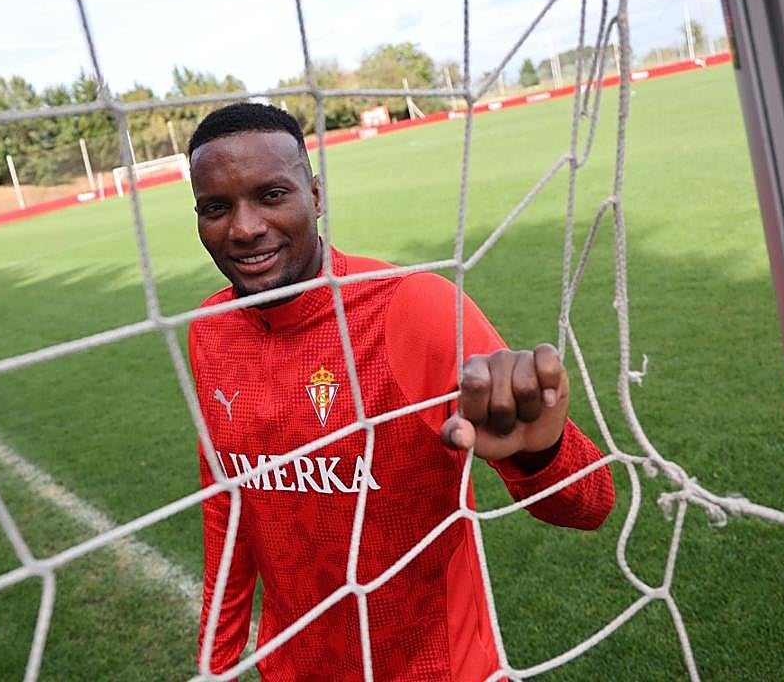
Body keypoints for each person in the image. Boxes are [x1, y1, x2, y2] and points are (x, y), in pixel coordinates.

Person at [185, 102, 615, 681]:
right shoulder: (209, 331)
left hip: (439, 669)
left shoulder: (416, 309)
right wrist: (215, 659)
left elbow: (590, 506)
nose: (244, 228)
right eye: (217, 207)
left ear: (314, 196)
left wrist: (539, 451)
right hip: (291, 669)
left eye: (271, 195)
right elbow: (228, 502)